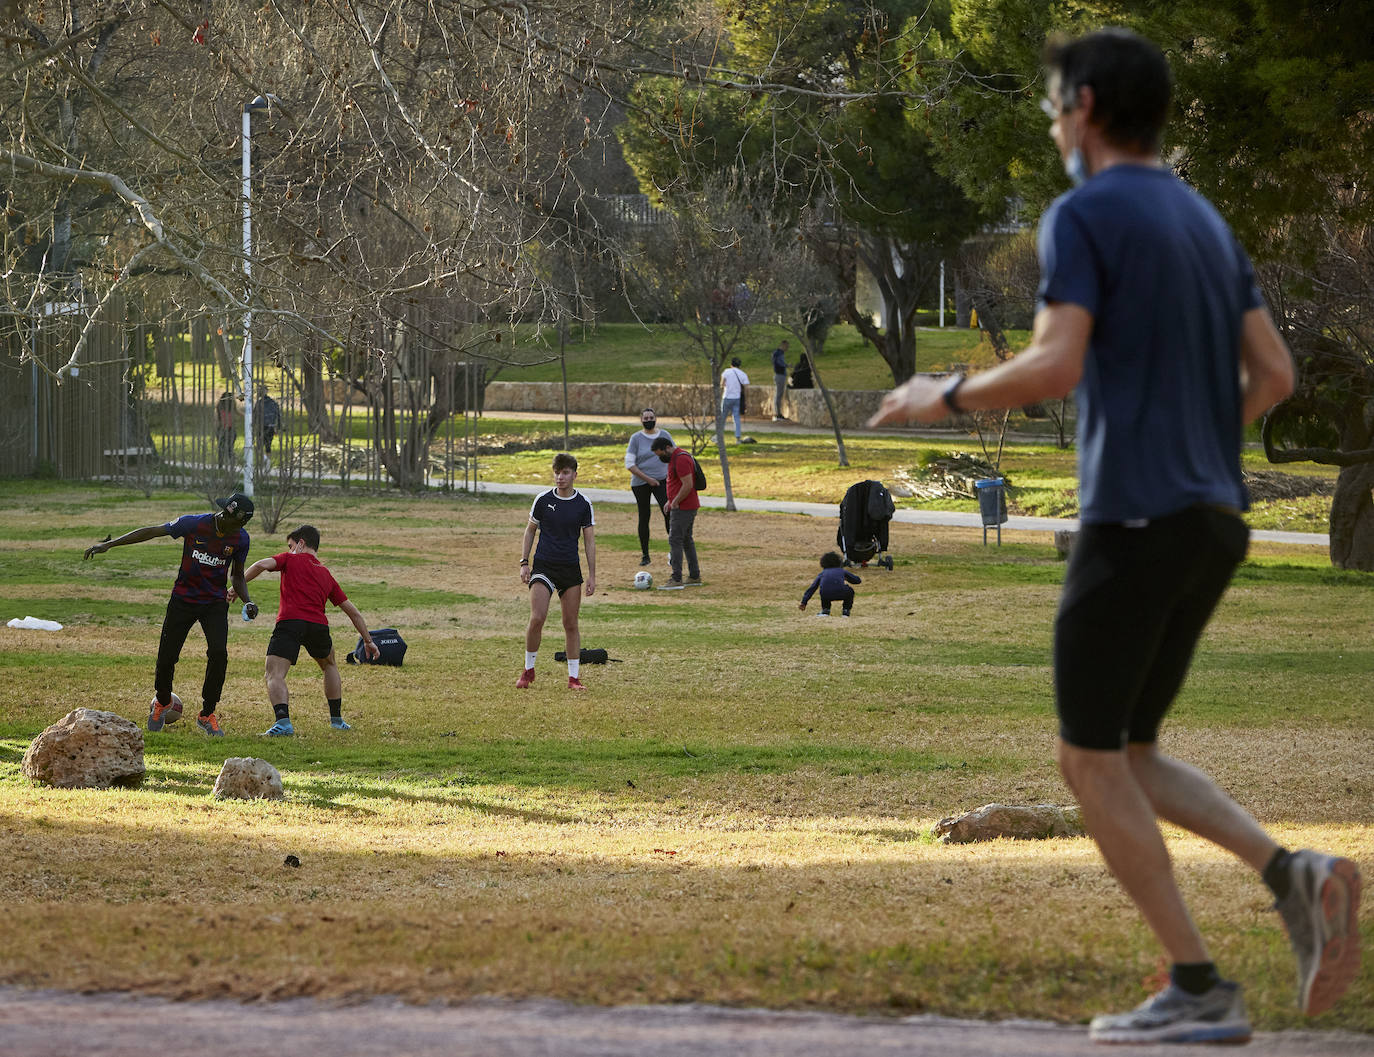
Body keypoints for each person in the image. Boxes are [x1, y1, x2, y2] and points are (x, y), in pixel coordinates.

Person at [869, 27, 1357, 1047]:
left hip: (1134, 516)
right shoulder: (1204, 220)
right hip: (1213, 520)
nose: (1052, 125)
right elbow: (1274, 376)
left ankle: (1197, 984)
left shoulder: (1084, 212)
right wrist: (1195, 441)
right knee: (1129, 750)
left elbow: (1055, 364)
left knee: (1086, 761)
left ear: (1085, 106)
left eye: (1054, 106)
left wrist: (940, 393)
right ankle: (1291, 875)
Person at [83, 492, 256, 737]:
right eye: (237, 523)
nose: (239, 529)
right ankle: (162, 701)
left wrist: (248, 601)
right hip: (183, 600)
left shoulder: (241, 539)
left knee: (219, 654)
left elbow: (237, 575)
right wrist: (109, 544)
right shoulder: (193, 524)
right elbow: (153, 531)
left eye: (242, 525)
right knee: (167, 656)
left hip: (214, 603)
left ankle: (207, 713)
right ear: (225, 514)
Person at [237, 524, 379, 736]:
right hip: (318, 626)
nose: (290, 548)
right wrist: (368, 641)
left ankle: (283, 724)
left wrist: (235, 588)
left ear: (301, 543)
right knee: (329, 665)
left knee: (274, 673)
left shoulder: (290, 558)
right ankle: (337, 720)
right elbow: (353, 612)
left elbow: (260, 565)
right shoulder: (325, 573)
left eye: (291, 545)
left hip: (290, 622)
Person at [517, 452, 597, 690]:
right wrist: (524, 562)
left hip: (570, 569)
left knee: (570, 623)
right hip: (544, 566)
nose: (560, 477)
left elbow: (589, 541)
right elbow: (530, 531)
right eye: (557, 473)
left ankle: (574, 678)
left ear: (574, 474)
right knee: (537, 618)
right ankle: (528, 670)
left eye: (565, 473)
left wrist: (592, 575)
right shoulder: (542, 500)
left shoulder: (583, 504)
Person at [650, 435, 701, 589]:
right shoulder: (676, 458)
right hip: (684, 505)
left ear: (667, 448)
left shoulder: (680, 459)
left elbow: (687, 485)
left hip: (684, 508)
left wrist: (676, 502)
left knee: (675, 540)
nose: (660, 458)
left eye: (660, 455)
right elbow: (678, 484)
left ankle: (676, 578)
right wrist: (670, 500)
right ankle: (694, 576)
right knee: (686, 540)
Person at [624, 408, 673, 566]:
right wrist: (648, 479)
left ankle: (674, 552)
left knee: (668, 513)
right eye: (646, 418)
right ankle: (645, 555)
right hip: (641, 483)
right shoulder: (636, 438)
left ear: (656, 418)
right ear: (641, 420)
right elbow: (629, 464)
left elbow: (674, 455)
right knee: (644, 516)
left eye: (651, 417)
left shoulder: (665, 435)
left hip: (662, 481)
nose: (649, 420)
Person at [799, 551, 860, 617]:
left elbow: (812, 588)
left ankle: (825, 610)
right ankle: (846, 611)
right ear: (839, 562)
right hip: (841, 593)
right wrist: (847, 579)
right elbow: (857, 580)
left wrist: (804, 602)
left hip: (826, 595)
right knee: (850, 591)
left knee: (824, 590)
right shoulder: (841, 571)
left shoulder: (822, 573)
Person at [720, 356, 750, 443]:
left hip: (727, 397)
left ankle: (719, 437)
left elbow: (722, 384)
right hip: (737, 398)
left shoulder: (726, 372)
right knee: (736, 418)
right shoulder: (742, 374)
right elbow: (746, 387)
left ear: (731, 364)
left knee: (723, 417)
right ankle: (738, 438)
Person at [254, 386, 282, 467]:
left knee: (259, 446)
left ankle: (265, 459)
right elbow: (278, 415)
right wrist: (278, 427)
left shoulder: (259, 403)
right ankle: (268, 463)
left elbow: (255, 415)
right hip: (271, 426)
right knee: (268, 445)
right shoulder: (273, 403)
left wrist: (253, 424)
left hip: (261, 426)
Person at [215, 391, 236, 468]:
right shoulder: (229, 406)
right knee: (229, 448)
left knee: (221, 448)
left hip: (223, 429)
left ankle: (221, 465)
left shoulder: (220, 406)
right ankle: (231, 464)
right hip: (228, 429)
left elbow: (216, 419)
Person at [771, 339, 789, 420]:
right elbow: (780, 363)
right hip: (780, 375)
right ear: (783, 345)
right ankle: (778, 414)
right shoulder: (778, 354)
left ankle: (777, 413)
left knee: (778, 394)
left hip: (779, 375)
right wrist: (787, 365)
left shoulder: (777, 353)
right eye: (787, 346)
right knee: (779, 394)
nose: (787, 348)